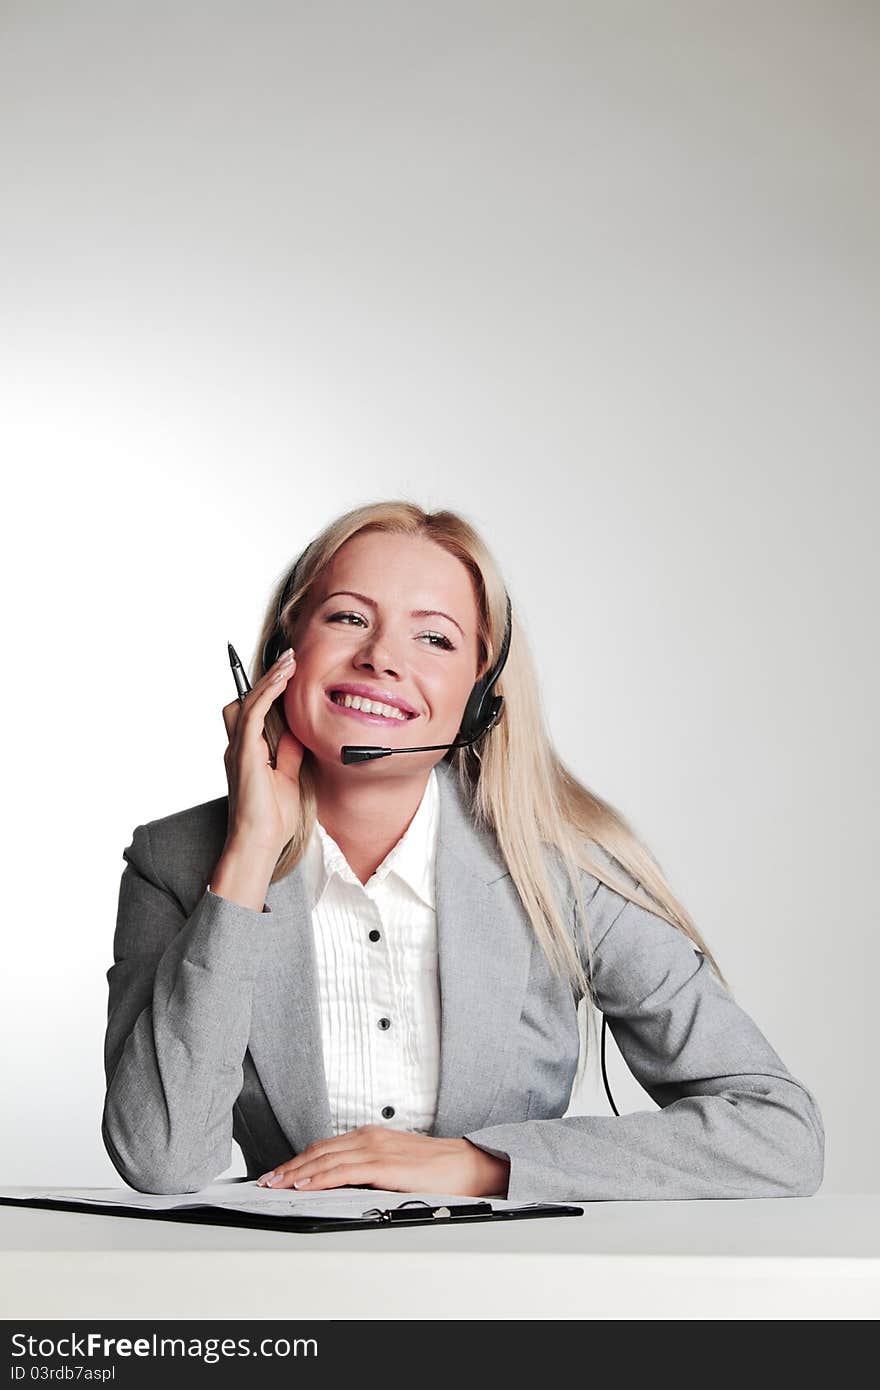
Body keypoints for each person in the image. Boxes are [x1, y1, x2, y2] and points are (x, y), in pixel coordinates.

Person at [102, 500, 825, 1200]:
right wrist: (250, 855)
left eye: (436, 638)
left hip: (504, 1295)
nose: (382, 657)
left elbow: (778, 1134)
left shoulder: (564, 874)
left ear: (482, 694)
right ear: (282, 655)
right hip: (291, 1295)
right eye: (348, 616)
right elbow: (162, 1158)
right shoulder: (176, 861)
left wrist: (480, 1165)